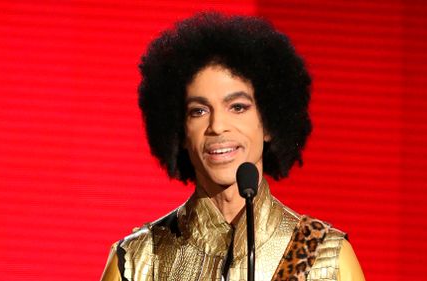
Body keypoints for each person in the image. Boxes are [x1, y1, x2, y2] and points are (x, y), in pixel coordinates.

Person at [100, 12, 365, 281]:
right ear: (180, 133)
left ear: (270, 123)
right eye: (199, 111)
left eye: (238, 107)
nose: (218, 126)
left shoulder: (323, 258)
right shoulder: (137, 261)